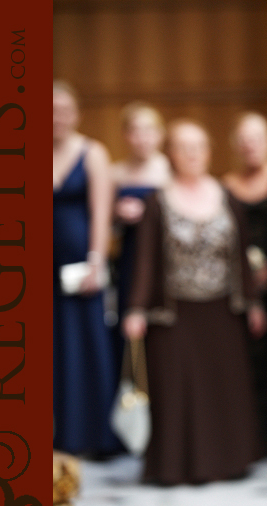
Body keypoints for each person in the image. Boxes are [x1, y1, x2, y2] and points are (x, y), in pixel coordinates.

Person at [123, 119, 267, 485]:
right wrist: (137, 308)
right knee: (178, 389)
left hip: (222, 311)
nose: (192, 154)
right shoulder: (158, 201)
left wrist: (252, 301)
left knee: (223, 387)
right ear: (170, 153)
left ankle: (229, 462)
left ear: (209, 151)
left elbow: (240, 252)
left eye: (199, 146)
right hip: (175, 314)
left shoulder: (226, 195)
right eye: (184, 147)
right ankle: (177, 467)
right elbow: (146, 259)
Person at [52, 80, 122, 457]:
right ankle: (57, 432)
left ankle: (93, 435)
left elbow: (101, 212)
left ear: (76, 114)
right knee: (52, 349)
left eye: (63, 110)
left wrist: (96, 260)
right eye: (49, 111)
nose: (56, 118)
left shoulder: (93, 152)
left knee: (87, 346)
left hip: (81, 264)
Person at [222, 111, 267, 457]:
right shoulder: (226, 186)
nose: (250, 146)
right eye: (244, 139)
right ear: (235, 145)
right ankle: (253, 438)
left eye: (257, 138)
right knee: (248, 363)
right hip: (242, 287)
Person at [109, 101, 172, 370]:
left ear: (160, 134)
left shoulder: (171, 171)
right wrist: (116, 214)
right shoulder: (115, 173)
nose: (142, 138)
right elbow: (104, 225)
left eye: (148, 130)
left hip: (165, 256)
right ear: (125, 135)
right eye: (135, 131)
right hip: (130, 256)